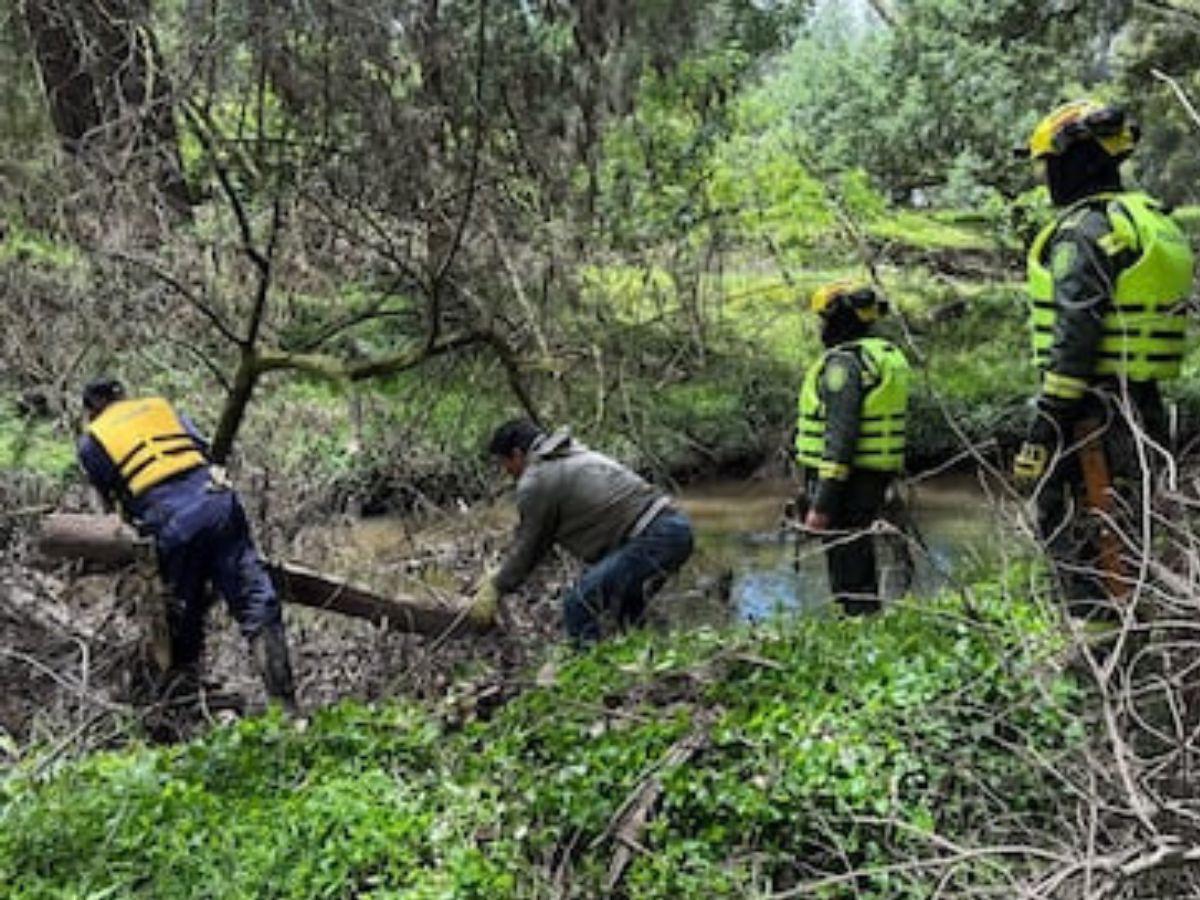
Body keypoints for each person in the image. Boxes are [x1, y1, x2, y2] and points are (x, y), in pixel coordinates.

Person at [1011, 99, 1194, 616]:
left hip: (1091, 418)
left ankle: (1098, 660)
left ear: (1076, 160)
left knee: (1085, 538)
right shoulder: (1143, 220)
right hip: (1141, 408)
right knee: (1131, 533)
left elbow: (1074, 343)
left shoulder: (1082, 234)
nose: (1045, 178)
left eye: (1048, 164)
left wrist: (1043, 430)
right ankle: (1137, 638)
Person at [77, 378, 297, 712]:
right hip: (219, 502)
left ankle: (186, 709)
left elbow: (111, 505)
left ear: (91, 410)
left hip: (173, 522)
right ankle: (286, 708)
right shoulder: (159, 407)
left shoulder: (93, 441)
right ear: (123, 396)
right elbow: (202, 450)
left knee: (182, 617)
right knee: (256, 600)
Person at [471, 419, 694, 644]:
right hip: (672, 527)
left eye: (503, 462)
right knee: (627, 610)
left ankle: (588, 673)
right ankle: (655, 660)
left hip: (653, 537)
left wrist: (497, 585)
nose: (505, 470)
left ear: (518, 454)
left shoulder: (537, 479)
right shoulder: (571, 452)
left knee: (578, 604)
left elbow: (531, 546)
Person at [795, 281, 911, 615]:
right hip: (869, 478)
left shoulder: (843, 365)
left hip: (847, 483)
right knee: (858, 556)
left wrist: (821, 504)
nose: (821, 328)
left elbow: (840, 438)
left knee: (848, 562)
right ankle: (866, 626)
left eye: (824, 320)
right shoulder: (877, 356)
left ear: (838, 320)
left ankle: (859, 627)